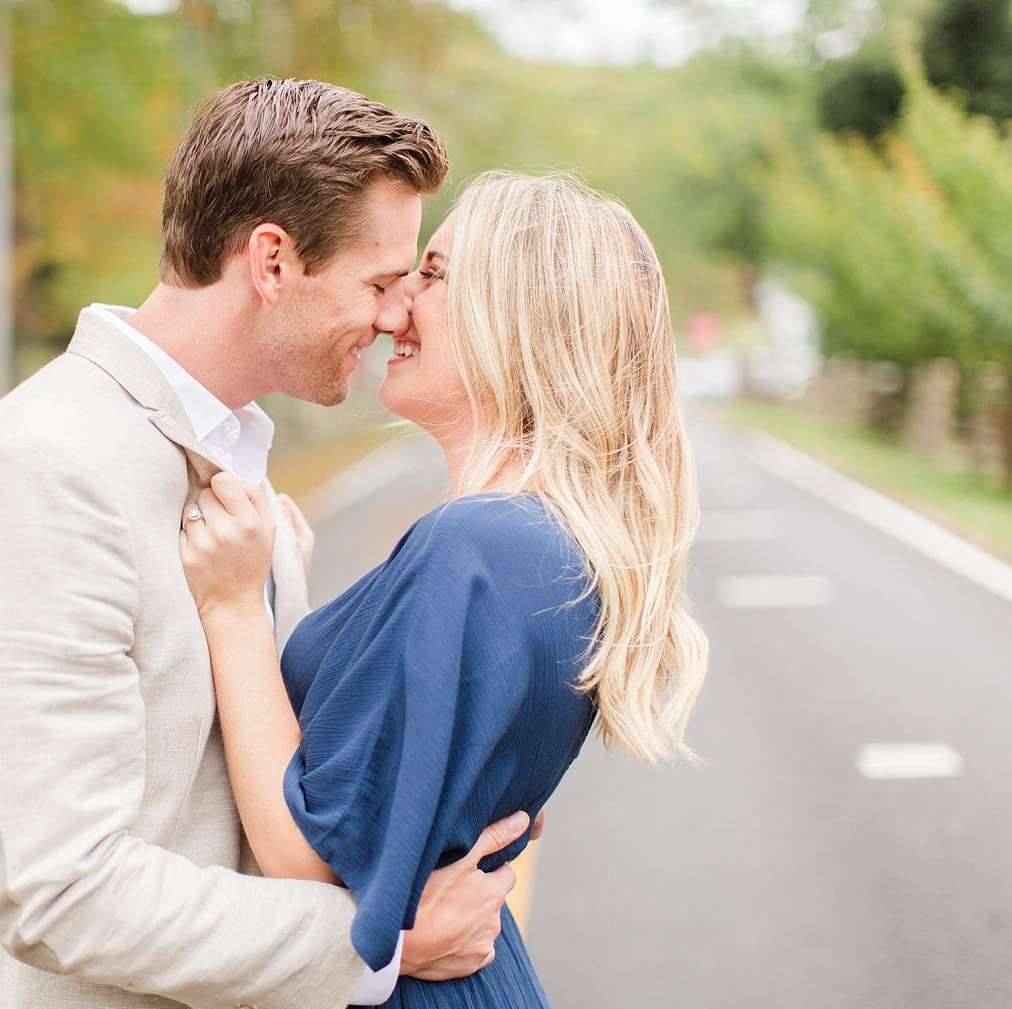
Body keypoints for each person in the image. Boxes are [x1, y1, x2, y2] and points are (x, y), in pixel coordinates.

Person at [0, 80, 540, 1009]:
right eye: (376, 282)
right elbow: (59, 888)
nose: (391, 315)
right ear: (273, 261)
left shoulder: (232, 463)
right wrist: (379, 945)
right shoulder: (44, 468)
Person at [180, 171, 711, 1007]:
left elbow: (308, 856)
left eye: (431, 274)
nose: (394, 308)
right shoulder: (537, 539)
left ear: (516, 315)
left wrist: (235, 606)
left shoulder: (478, 545)